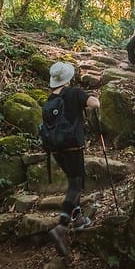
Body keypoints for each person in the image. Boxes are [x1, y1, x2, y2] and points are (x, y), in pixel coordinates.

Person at [46, 61, 100, 257]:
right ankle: (61, 227)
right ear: (68, 78)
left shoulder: (50, 100)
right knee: (77, 185)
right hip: (73, 146)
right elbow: (94, 103)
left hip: (57, 150)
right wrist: (93, 99)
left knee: (72, 182)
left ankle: (77, 218)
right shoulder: (74, 92)